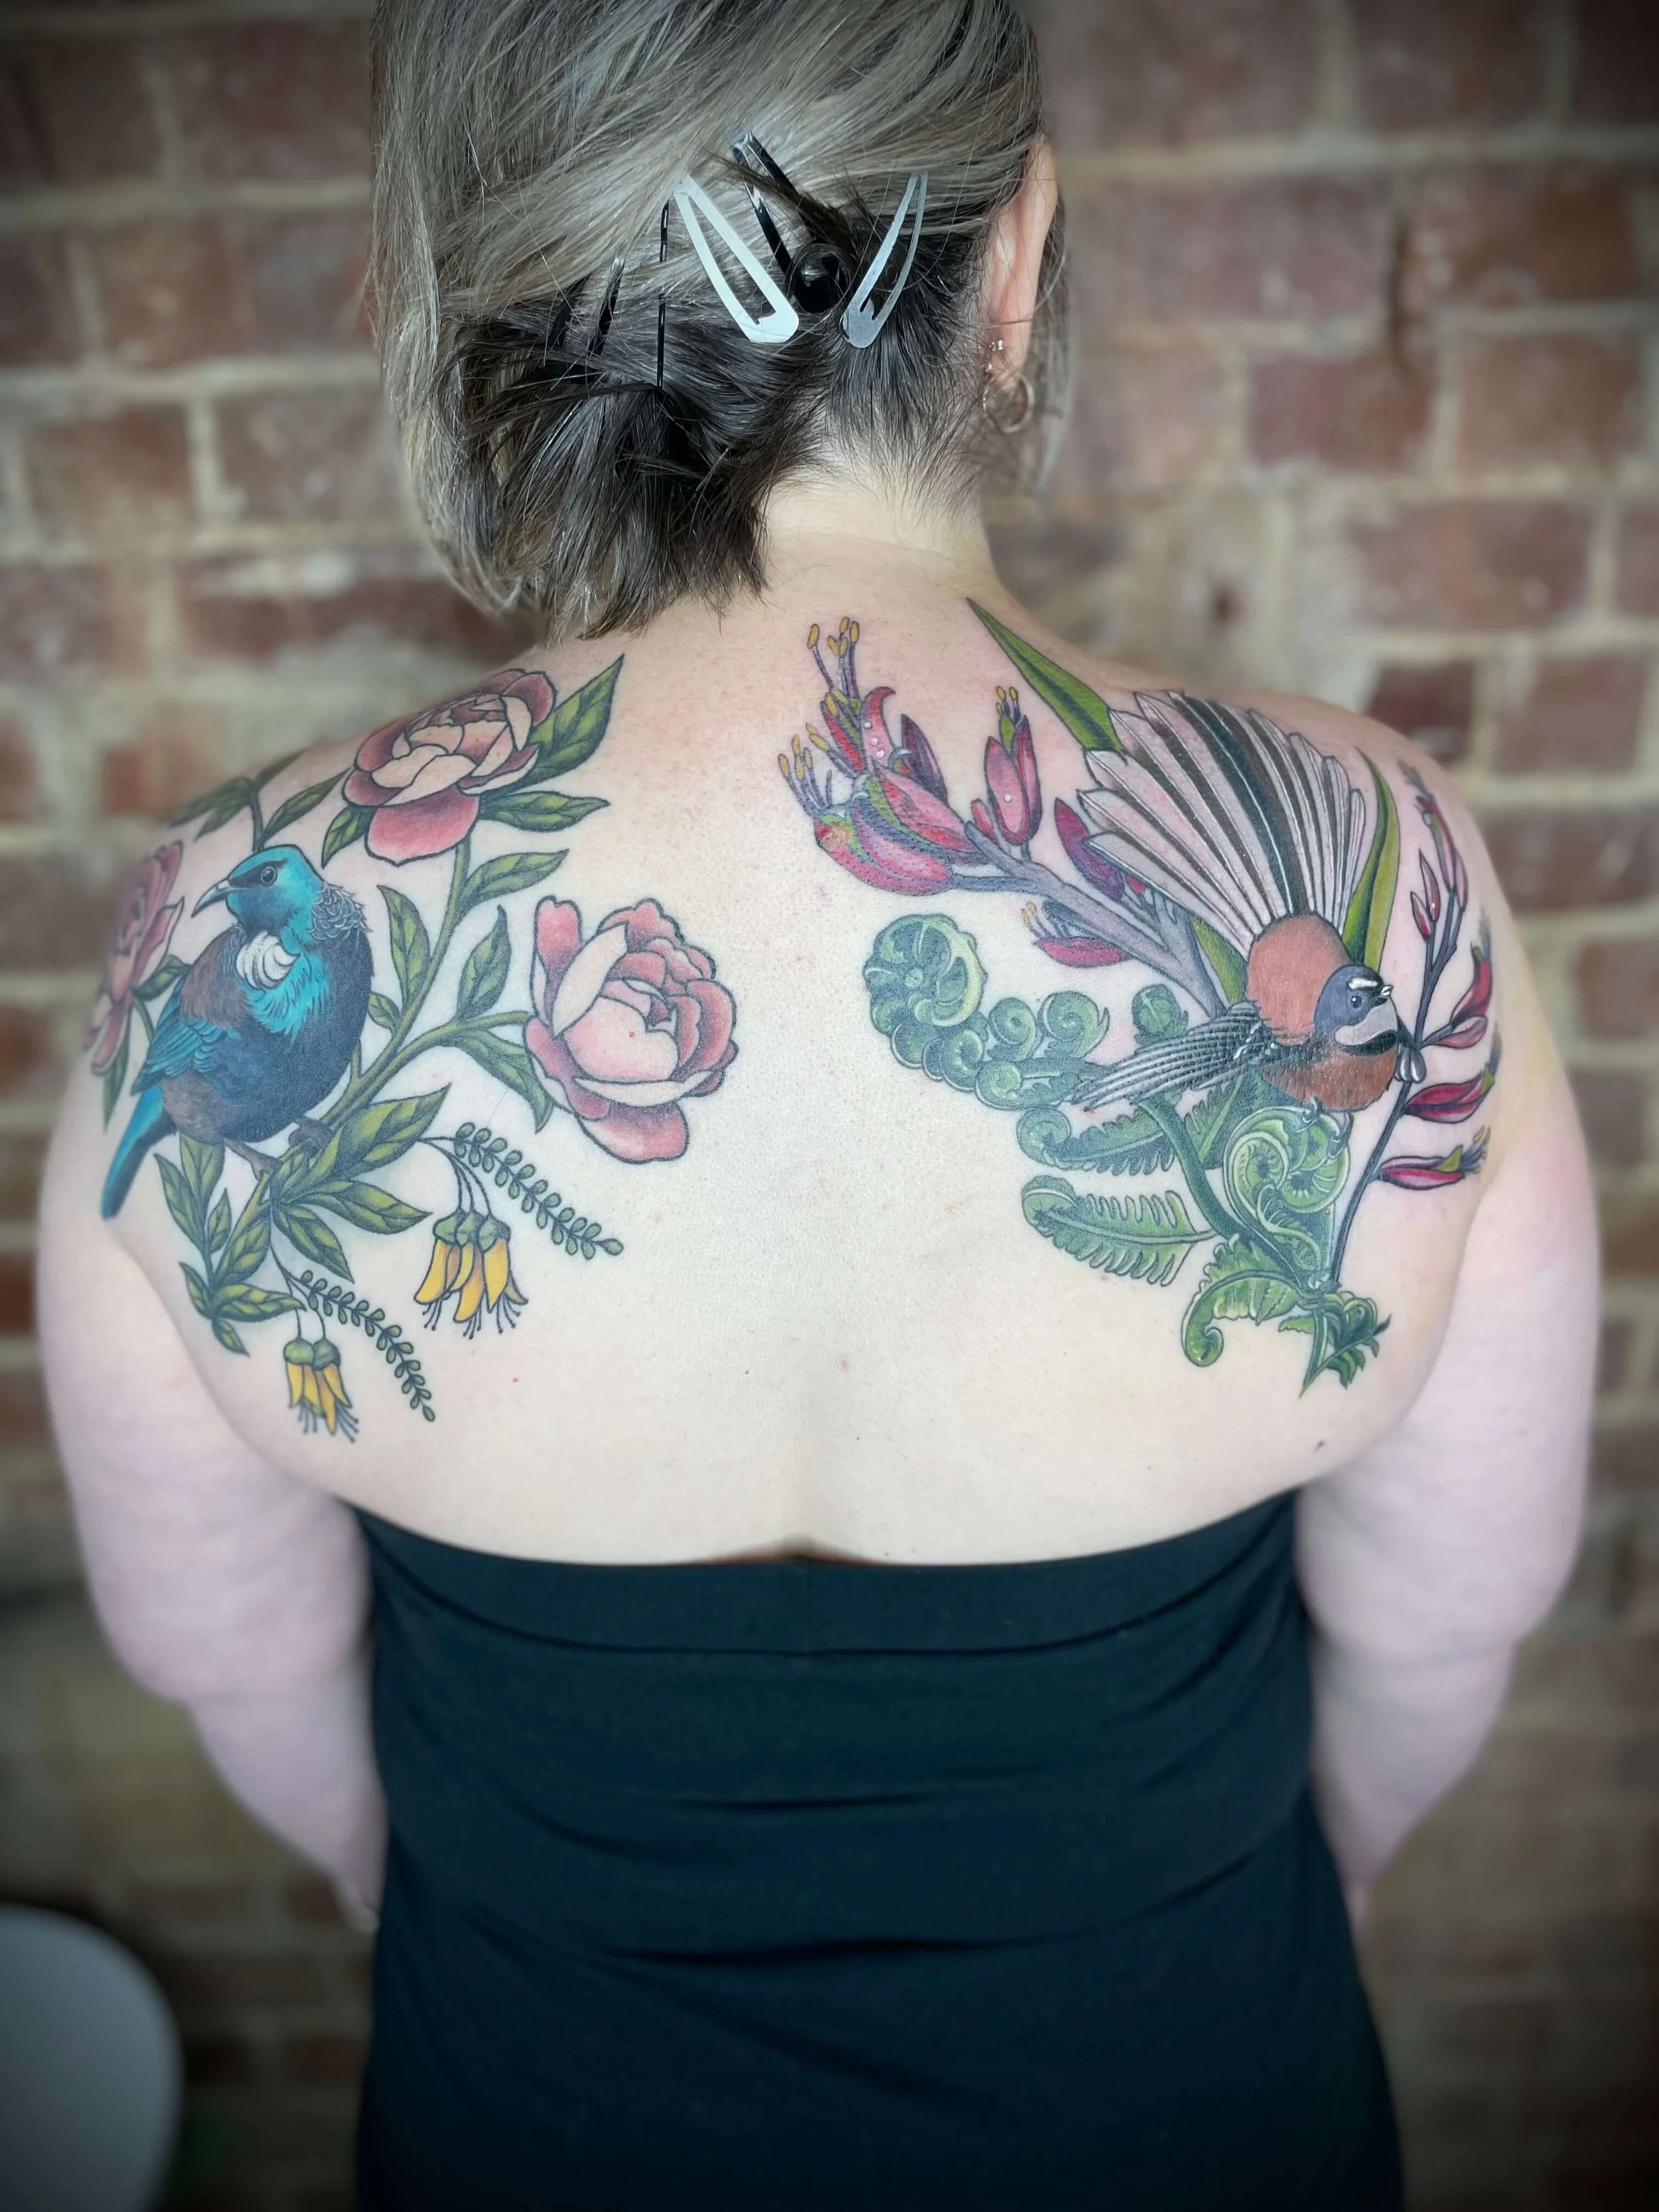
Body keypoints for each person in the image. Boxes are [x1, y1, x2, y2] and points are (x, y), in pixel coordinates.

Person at [39, 4, 1597, 2207]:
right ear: (1015, 257)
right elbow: (1446, 1612)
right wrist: (1285, 1890)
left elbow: (229, 1654)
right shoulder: (1382, 857)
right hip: (1187, 2100)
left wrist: (444, 1905)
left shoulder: (213, 917)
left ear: (473, 296)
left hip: (533, 2113)